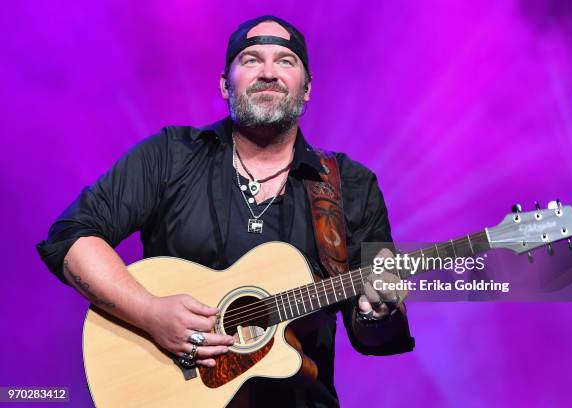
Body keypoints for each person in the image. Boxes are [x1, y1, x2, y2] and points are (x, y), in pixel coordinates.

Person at [37, 15, 415, 407]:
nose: (268, 72)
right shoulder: (170, 155)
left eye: (285, 61)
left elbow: (376, 339)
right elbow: (71, 238)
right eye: (251, 59)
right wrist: (149, 312)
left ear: (306, 90)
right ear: (224, 84)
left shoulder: (350, 184)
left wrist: (377, 311)